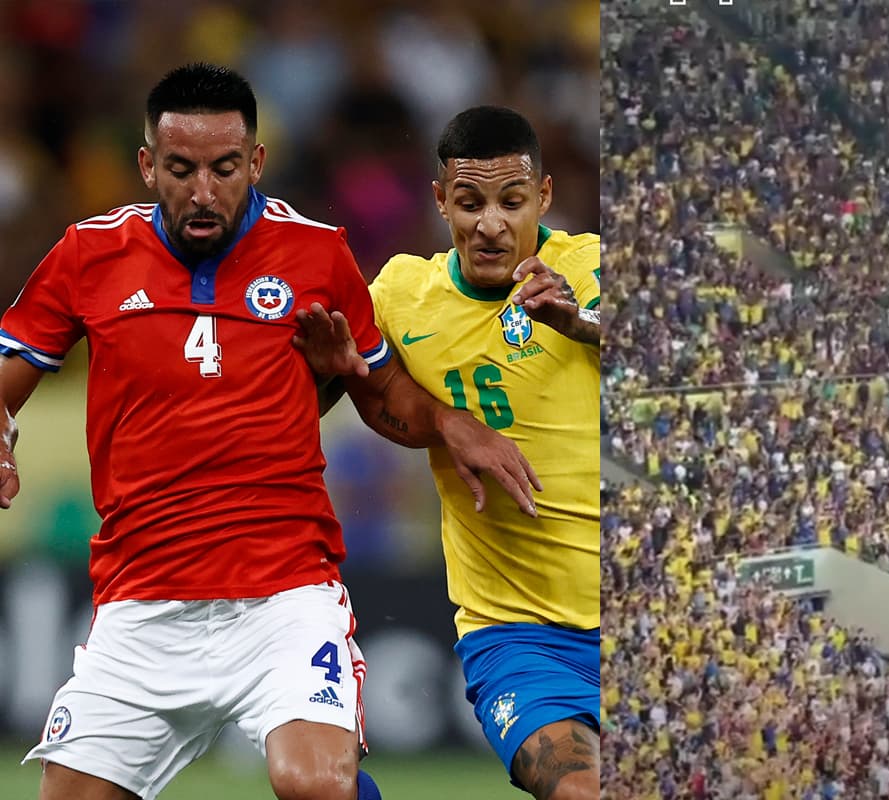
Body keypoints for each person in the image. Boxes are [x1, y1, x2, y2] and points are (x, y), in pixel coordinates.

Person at [0, 64, 539, 800]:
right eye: (181, 169)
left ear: (256, 161)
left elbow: (378, 388)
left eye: (224, 169)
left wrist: (448, 424)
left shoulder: (316, 254)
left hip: (284, 595)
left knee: (314, 783)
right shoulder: (89, 255)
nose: (203, 192)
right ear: (145, 164)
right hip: (141, 600)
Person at [297, 106, 599, 800]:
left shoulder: (587, 268)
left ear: (544, 198)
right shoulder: (403, 296)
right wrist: (326, 370)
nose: (490, 223)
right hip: (520, 636)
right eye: (470, 202)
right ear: (440, 201)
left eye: (511, 201)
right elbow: (345, 398)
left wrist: (576, 323)